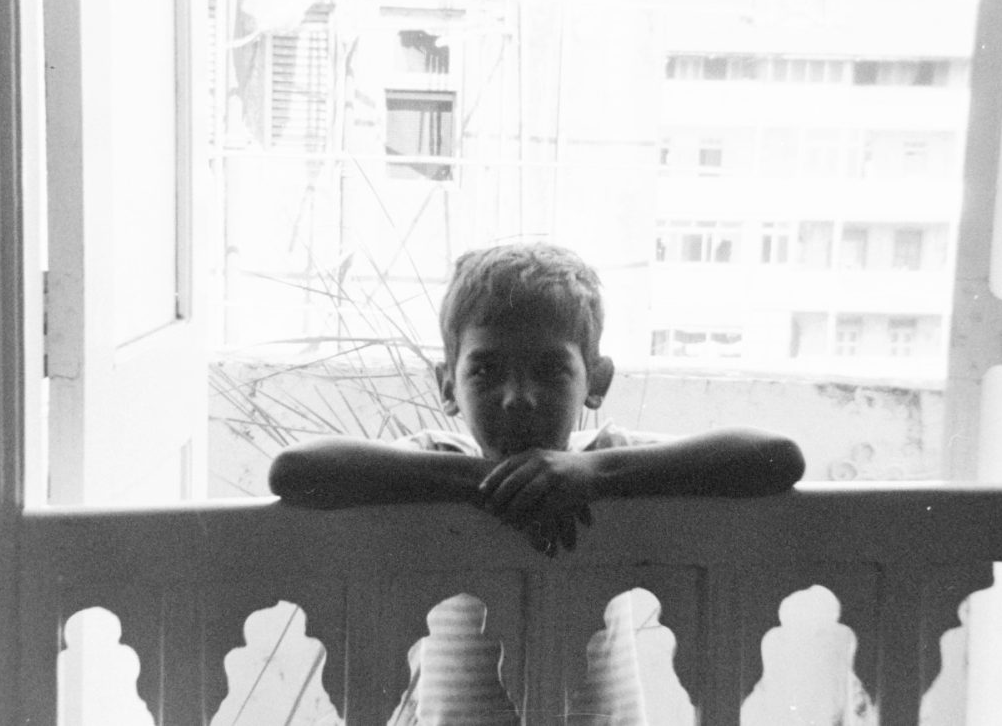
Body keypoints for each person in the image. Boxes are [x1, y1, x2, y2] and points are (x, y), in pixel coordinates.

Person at [268, 242, 805, 722]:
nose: (518, 397)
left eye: (550, 370)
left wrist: (597, 475)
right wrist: (479, 482)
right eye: (485, 371)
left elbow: (775, 457)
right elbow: (296, 469)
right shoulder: (438, 461)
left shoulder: (602, 461)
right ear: (447, 386)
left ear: (596, 381)